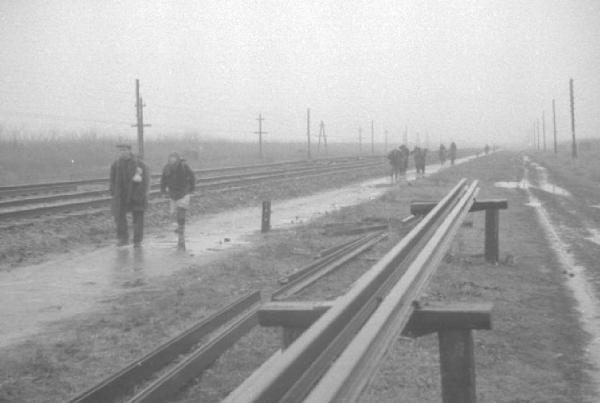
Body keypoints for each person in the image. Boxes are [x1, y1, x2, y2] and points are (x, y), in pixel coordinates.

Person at [109, 144, 150, 247]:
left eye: (125, 150)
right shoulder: (116, 165)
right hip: (121, 195)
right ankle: (123, 238)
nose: (123, 152)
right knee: (120, 217)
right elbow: (112, 180)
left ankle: (137, 240)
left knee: (138, 218)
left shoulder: (139, 164)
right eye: (120, 150)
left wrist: (139, 195)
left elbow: (145, 182)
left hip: (136, 194)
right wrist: (113, 192)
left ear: (129, 151)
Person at [160, 152, 196, 249]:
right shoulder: (166, 168)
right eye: (170, 158)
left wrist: (192, 188)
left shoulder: (184, 166)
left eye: (174, 158)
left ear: (177, 159)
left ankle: (181, 233)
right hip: (173, 194)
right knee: (173, 213)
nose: (172, 160)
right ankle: (179, 228)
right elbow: (163, 180)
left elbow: (192, 177)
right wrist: (163, 190)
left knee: (181, 212)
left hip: (184, 193)